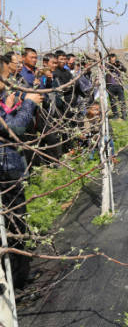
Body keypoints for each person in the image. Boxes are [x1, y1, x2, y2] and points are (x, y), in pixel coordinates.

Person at [0, 57, 43, 288]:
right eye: (5, 76)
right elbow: (13, 128)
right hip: (5, 170)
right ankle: (17, 281)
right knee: (15, 224)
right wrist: (28, 103)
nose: (8, 81)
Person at [106, 53, 127, 119]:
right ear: (109, 59)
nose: (113, 61)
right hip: (110, 85)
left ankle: (124, 115)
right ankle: (115, 115)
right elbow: (106, 69)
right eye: (112, 60)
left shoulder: (119, 63)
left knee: (122, 100)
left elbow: (125, 70)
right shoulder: (107, 65)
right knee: (112, 101)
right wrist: (111, 65)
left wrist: (119, 65)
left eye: (114, 59)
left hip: (119, 85)